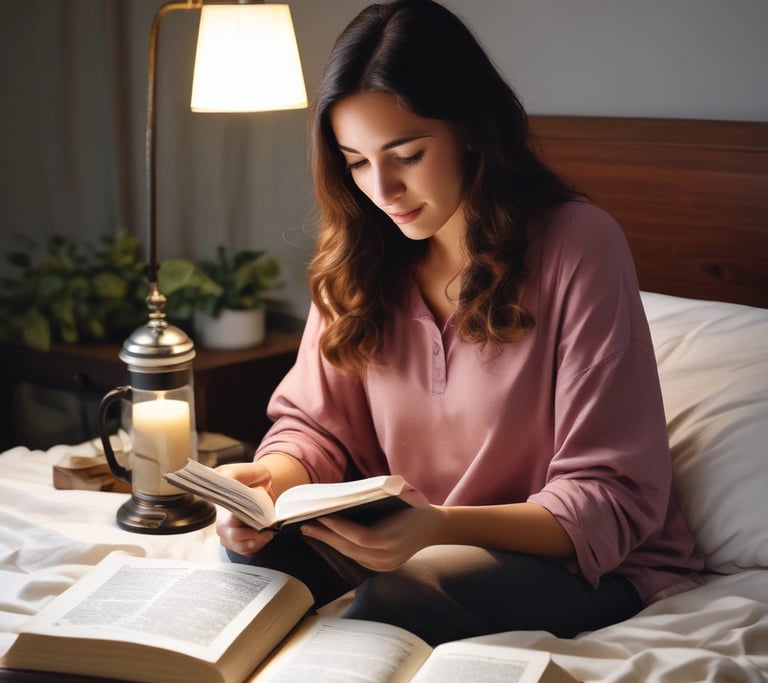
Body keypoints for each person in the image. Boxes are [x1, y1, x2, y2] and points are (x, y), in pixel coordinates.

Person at [216, 0, 704, 645]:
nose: (382, 190)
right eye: (356, 161)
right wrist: (268, 484)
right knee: (251, 561)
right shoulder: (359, 258)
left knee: (410, 590)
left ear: (471, 129)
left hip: (580, 560)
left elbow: (609, 497)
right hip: (407, 540)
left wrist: (438, 526)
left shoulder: (578, 244)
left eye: (408, 154)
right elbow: (316, 430)